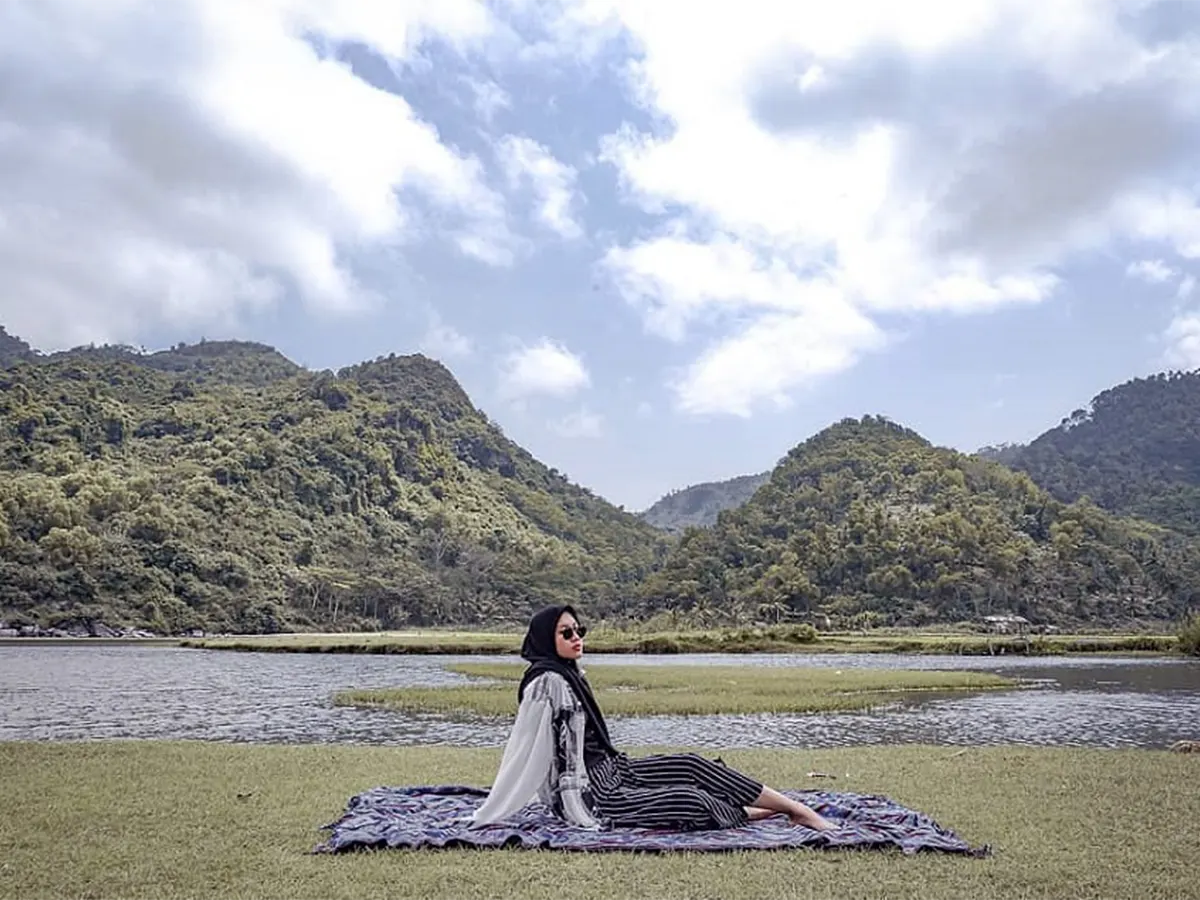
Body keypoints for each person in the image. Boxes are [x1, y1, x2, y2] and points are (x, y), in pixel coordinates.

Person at [470, 604, 837, 832]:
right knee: (688, 799)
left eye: (579, 630)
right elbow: (532, 751)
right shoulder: (546, 683)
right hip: (593, 793)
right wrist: (566, 808)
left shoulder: (570, 673)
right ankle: (750, 812)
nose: (576, 637)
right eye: (566, 633)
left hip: (614, 769)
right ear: (547, 640)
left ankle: (794, 808)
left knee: (691, 764)